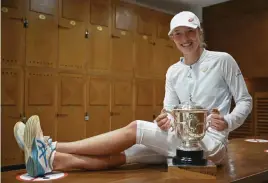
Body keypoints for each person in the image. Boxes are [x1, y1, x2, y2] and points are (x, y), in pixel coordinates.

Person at [13, 11, 252, 178]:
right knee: (124, 156)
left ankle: (48, 145)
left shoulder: (222, 61)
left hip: (211, 145)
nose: (185, 39)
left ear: (199, 32)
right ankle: (51, 160)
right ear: (172, 38)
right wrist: (163, 119)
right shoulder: (173, 72)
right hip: (179, 141)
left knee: (136, 128)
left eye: (189, 31)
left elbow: (244, 100)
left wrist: (228, 121)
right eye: (178, 34)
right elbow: (168, 111)